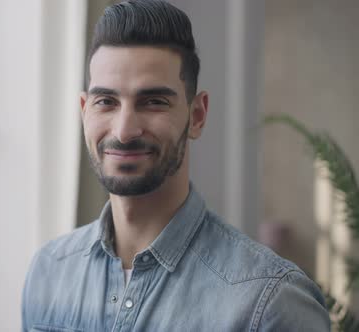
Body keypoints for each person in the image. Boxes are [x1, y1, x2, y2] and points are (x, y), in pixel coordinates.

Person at [21, 1, 330, 331]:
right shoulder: (47, 273)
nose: (124, 131)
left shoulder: (271, 303)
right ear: (85, 111)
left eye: (153, 102)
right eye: (106, 102)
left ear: (197, 116)